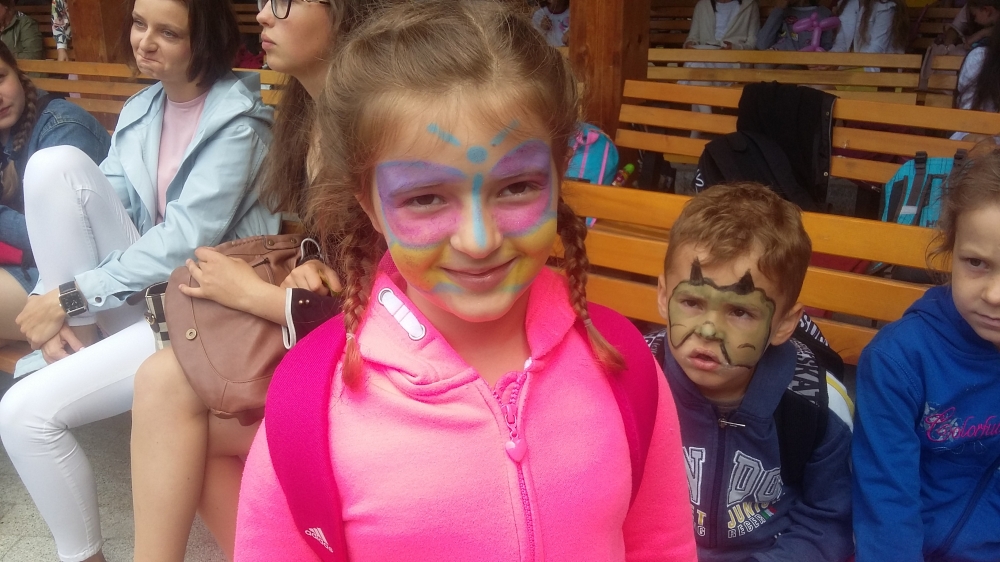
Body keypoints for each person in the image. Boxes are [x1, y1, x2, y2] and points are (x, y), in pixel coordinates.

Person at [235, 1, 699, 560]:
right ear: (370, 204)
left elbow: (663, 545)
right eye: (426, 198)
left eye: (517, 187)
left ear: (559, 175)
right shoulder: (309, 404)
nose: (479, 241)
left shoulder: (622, 363)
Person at [0, 0, 276, 560]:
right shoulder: (142, 108)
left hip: (201, 314)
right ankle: (78, 333)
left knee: (23, 415)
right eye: (139, 23)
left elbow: (185, 240)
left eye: (168, 32)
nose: (144, 41)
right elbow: (100, 207)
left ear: (203, 39)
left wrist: (69, 296)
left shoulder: (240, 124)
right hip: (141, 300)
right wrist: (51, 298)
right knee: (53, 166)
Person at [128, 0, 366, 558]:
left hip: (371, 376)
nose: (262, 16)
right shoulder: (307, 115)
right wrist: (312, 263)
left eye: (284, 1)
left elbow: (396, 298)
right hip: (325, 343)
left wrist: (256, 296)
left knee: (179, 422)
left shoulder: (375, 122)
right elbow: (337, 245)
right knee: (164, 389)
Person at [646, 182, 854, 562]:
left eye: (740, 312)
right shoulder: (635, 382)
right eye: (691, 302)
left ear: (784, 323)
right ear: (663, 295)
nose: (709, 330)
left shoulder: (817, 405)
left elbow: (828, 522)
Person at [853, 144, 1000, 562]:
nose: (994, 295)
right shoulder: (898, 361)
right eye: (976, 263)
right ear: (950, 252)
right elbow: (886, 505)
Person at [0, 40, 110, 346]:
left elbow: (62, 242)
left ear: (17, 71)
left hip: (79, 289)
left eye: (0, 78)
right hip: (32, 275)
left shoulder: (63, 128)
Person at [956, 2, 1000, 112]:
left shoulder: (979, 57)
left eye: (974, 16)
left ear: (987, 10)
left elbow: (968, 106)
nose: (975, 20)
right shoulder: (979, 57)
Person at [831, 0, 908, 53]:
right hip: (850, 65)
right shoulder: (849, 4)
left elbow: (877, 49)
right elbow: (841, 44)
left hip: (875, 67)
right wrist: (831, 58)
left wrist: (851, 62)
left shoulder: (886, 6)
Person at [757, 0, 836, 51]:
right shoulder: (782, 11)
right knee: (762, 64)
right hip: (778, 55)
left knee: (787, 68)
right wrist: (778, 9)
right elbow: (762, 44)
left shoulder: (823, 13)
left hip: (802, 61)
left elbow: (826, 47)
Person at [684, 0, 760, 50]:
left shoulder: (750, 5)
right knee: (693, 63)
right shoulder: (702, 5)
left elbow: (753, 43)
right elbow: (692, 38)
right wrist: (690, 44)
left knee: (694, 65)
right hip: (705, 54)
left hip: (735, 59)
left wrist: (735, 47)